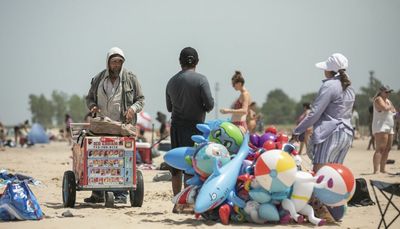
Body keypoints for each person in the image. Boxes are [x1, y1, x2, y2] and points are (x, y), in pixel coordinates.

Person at [85, 47, 145, 204]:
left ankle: (120, 194)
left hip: (122, 127)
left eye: (119, 62)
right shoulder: (98, 78)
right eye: (114, 62)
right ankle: (98, 193)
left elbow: (141, 100)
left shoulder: (131, 78)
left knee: (120, 158)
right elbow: (89, 98)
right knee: (99, 157)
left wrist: (132, 109)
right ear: (108, 62)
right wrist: (92, 107)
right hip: (102, 126)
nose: (116, 65)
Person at [166, 47, 214, 213]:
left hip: (176, 128)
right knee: (192, 165)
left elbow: (169, 107)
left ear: (180, 62)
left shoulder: (171, 82)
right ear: (197, 61)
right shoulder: (201, 80)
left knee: (175, 168)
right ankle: (187, 201)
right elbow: (209, 105)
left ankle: (177, 202)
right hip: (196, 128)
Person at [292, 53, 355, 173]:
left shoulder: (329, 85)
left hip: (331, 134)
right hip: (347, 134)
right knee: (334, 175)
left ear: (329, 70)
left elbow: (314, 113)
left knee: (319, 173)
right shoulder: (349, 87)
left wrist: (297, 130)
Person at [372, 85, 396, 174]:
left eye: (389, 92)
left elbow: (394, 111)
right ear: (381, 91)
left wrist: (390, 108)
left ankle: (383, 169)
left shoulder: (388, 101)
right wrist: (390, 108)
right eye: (386, 92)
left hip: (389, 127)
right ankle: (376, 170)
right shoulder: (378, 99)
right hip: (381, 126)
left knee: (388, 148)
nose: (388, 93)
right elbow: (385, 108)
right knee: (380, 148)